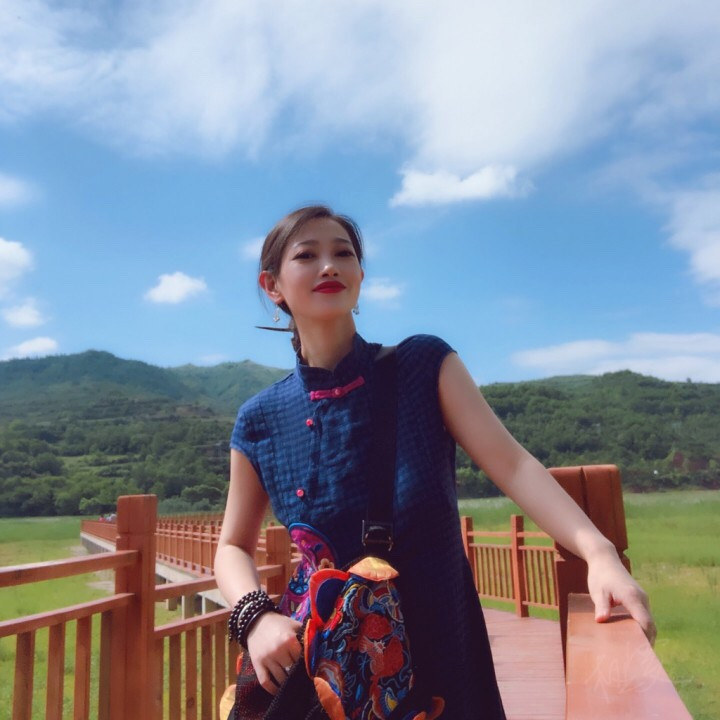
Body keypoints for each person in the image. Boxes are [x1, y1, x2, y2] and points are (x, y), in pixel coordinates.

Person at [214, 205, 655, 719]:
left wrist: (598, 553)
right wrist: (255, 618)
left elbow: (513, 465)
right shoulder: (260, 419)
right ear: (272, 286)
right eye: (307, 255)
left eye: (343, 253)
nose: (329, 265)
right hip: (329, 669)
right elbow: (232, 546)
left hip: (442, 649)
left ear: (360, 276)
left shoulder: (421, 366)